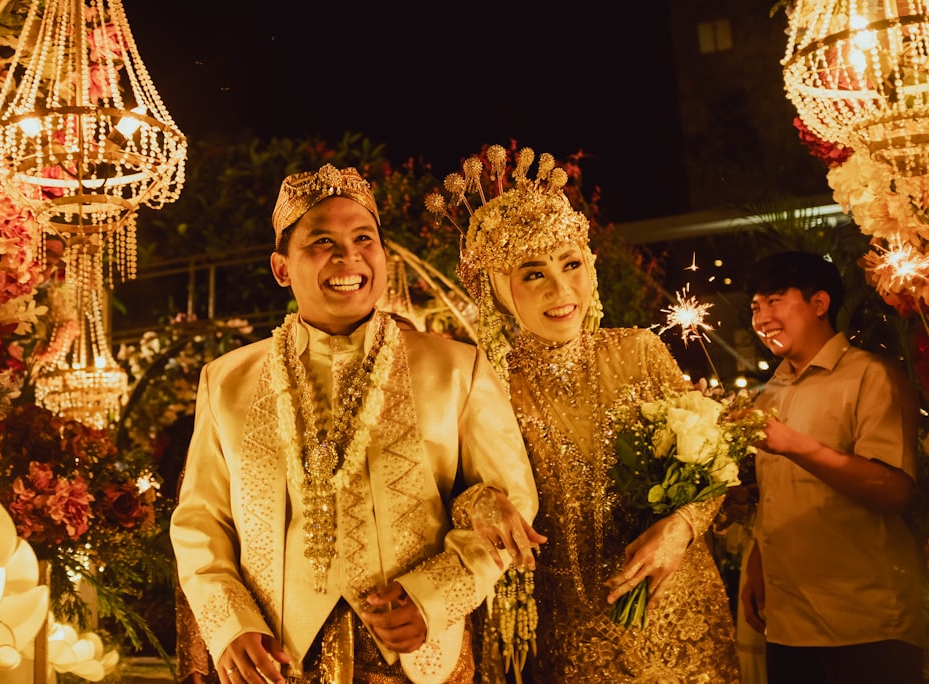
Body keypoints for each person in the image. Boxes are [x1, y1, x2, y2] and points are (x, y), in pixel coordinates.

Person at [171, 163, 542, 684]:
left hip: (414, 651)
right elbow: (200, 520)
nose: (349, 257)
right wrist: (228, 624)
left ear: (382, 256)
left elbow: (512, 501)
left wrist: (437, 597)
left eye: (363, 238)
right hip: (276, 655)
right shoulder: (226, 381)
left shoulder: (456, 367)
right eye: (322, 241)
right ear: (281, 268)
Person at [437, 145, 739, 682]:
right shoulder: (479, 384)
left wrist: (683, 527)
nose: (561, 290)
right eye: (533, 274)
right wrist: (480, 502)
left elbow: (713, 464)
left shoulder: (639, 351)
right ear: (496, 291)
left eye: (571, 264)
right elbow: (445, 494)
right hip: (566, 634)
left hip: (678, 607)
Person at [740, 250, 925, 684]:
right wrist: (756, 563)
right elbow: (773, 495)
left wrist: (794, 445)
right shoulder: (770, 392)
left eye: (774, 301)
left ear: (819, 304)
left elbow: (893, 490)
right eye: (754, 307)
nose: (762, 318)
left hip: (865, 624)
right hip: (787, 624)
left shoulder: (870, 376)